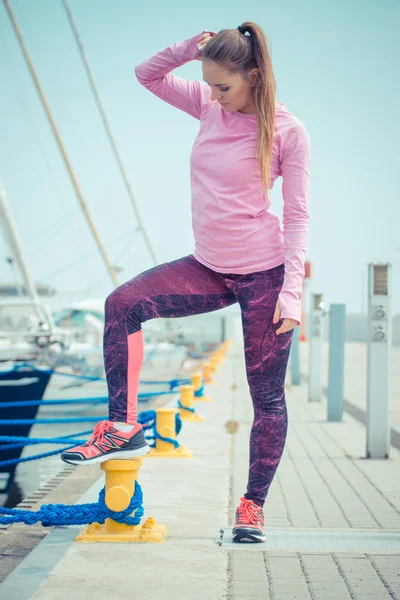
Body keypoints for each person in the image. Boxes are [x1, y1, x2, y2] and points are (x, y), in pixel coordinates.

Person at [61, 22, 311, 544]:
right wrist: (186, 49)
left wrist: (291, 292)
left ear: (255, 76)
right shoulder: (206, 106)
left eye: (224, 87)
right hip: (206, 266)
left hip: (264, 275)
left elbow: (298, 215)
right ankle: (122, 427)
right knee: (122, 303)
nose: (215, 96)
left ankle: (252, 506)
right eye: (209, 84)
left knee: (267, 399)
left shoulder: (288, 131)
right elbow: (146, 75)